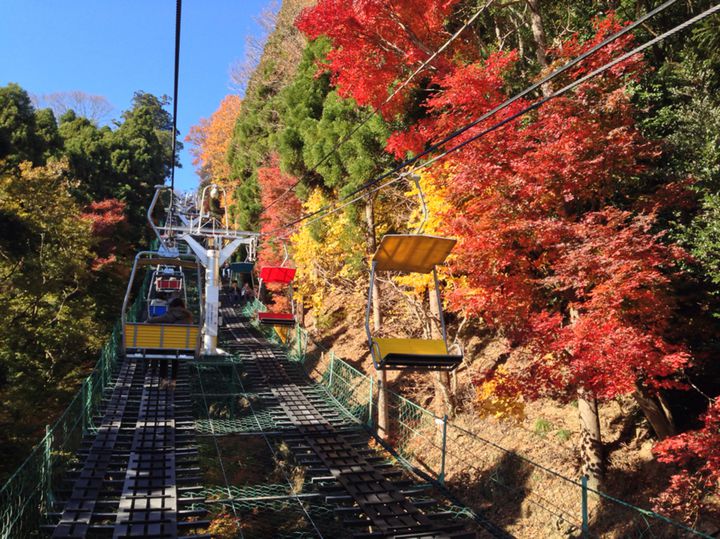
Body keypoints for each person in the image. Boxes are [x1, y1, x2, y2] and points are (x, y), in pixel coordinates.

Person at [147, 298, 193, 388]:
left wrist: (149, 320)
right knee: (175, 357)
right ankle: (173, 380)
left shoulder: (171, 314)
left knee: (164, 353)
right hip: (184, 346)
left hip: (170, 345)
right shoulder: (188, 317)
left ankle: (163, 379)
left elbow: (156, 320)